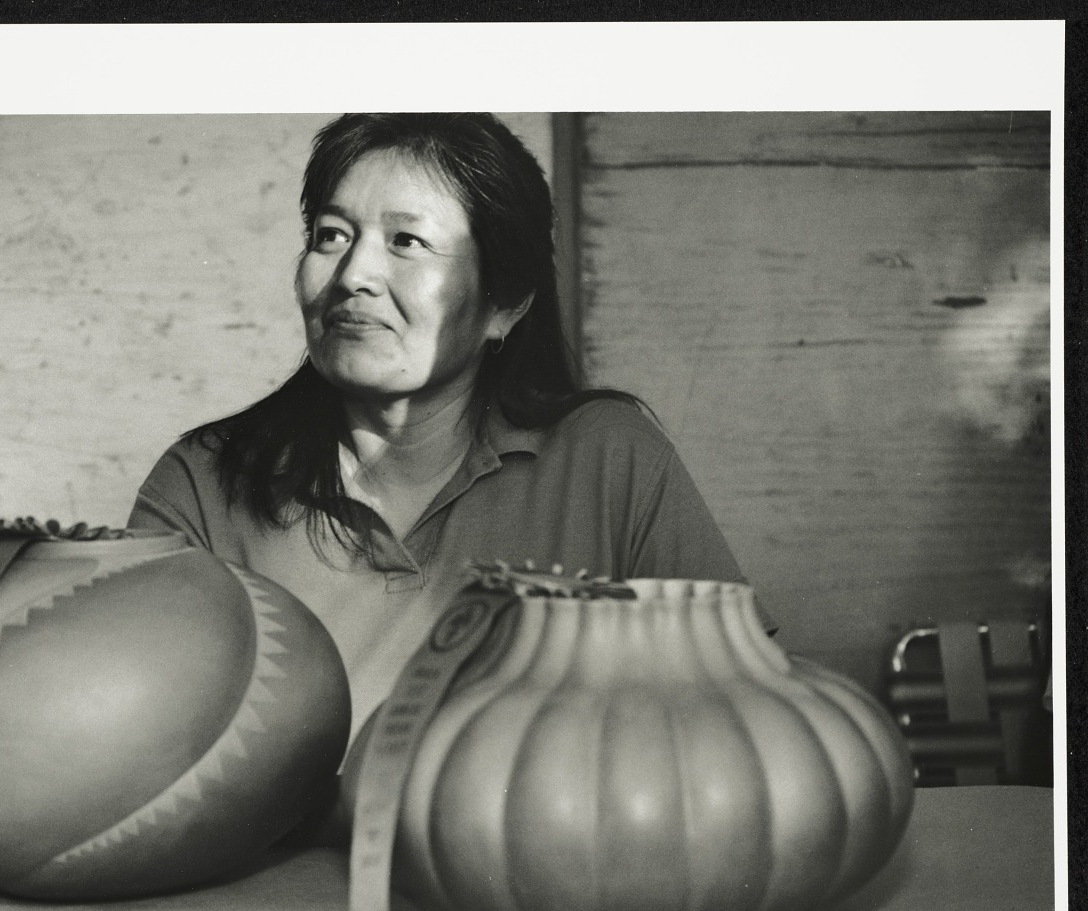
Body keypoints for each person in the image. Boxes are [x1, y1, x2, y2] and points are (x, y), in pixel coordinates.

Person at [128, 112, 767, 750]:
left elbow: (749, 715)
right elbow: (132, 743)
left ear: (505, 302)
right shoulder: (203, 483)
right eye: (330, 236)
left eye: (407, 242)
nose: (353, 276)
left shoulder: (608, 458)